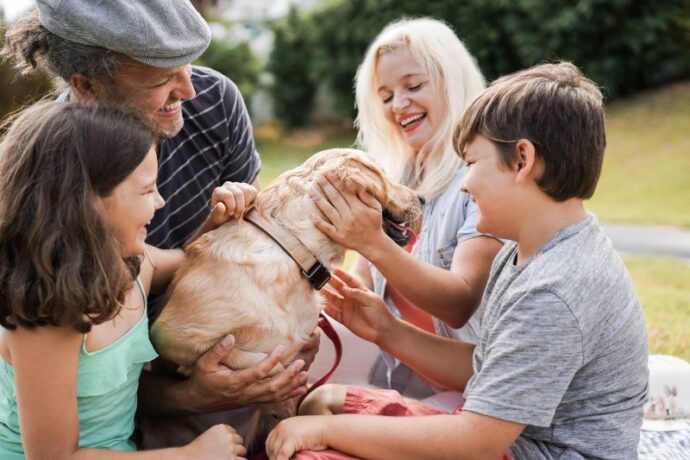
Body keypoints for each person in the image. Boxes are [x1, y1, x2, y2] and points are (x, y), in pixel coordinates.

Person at [267, 62, 649, 459]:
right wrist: (386, 330)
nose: (464, 184)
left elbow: (477, 443)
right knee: (322, 402)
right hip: (503, 438)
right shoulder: (529, 250)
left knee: (309, 449)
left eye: (472, 164)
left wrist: (326, 431)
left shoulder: (555, 290)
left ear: (522, 160)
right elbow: (486, 370)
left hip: (518, 449)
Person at [1, 0, 317, 447]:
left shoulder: (214, 104)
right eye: (162, 77)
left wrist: (283, 332)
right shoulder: (49, 188)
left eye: (187, 66)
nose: (188, 89)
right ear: (86, 86)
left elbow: (209, 260)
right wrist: (191, 400)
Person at [0, 102, 250, 458]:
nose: (161, 202)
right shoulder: (48, 317)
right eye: (147, 191)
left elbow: (193, 263)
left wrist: (219, 219)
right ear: (87, 204)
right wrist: (187, 456)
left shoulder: (135, 264)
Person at [309, 18, 502, 400]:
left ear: (452, 81)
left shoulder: (480, 177)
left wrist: (372, 241)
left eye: (413, 86)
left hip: (471, 391)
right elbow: (360, 284)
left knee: (319, 415)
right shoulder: (398, 178)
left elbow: (460, 303)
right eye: (385, 96)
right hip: (405, 381)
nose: (398, 105)